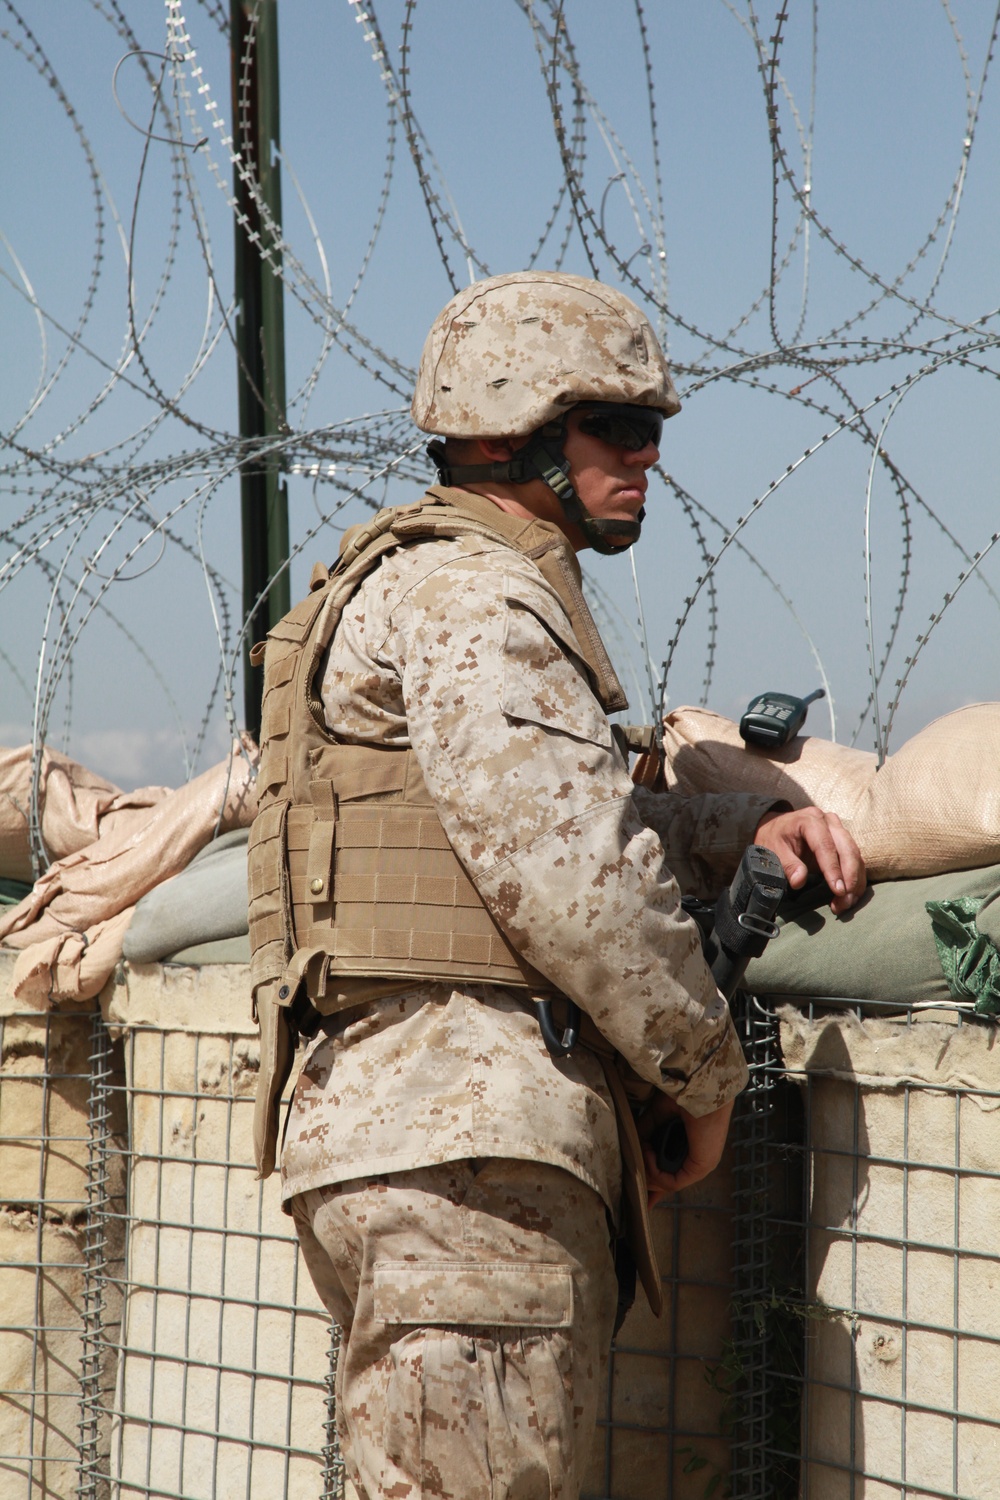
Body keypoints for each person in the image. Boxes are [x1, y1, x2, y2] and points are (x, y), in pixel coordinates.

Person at [247, 271, 865, 1500]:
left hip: (404, 1141)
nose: (647, 460)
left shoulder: (404, 581)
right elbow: (572, 880)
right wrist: (705, 1076)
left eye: (651, 430)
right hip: (472, 1156)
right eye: (617, 429)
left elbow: (521, 817)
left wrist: (734, 824)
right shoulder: (480, 596)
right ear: (506, 430)